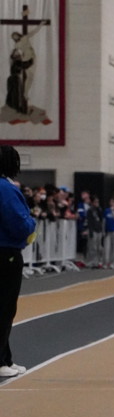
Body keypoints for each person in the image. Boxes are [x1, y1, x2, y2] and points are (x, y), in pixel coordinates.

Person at [0, 145, 34, 378]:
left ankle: (5, 358)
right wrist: (32, 224)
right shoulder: (6, 189)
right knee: (4, 308)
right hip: (5, 253)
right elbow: (20, 224)